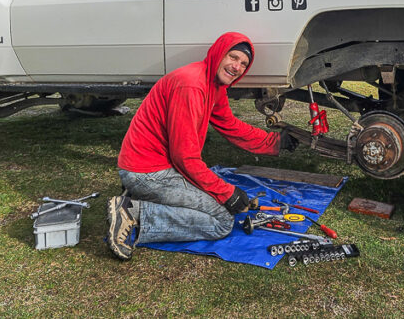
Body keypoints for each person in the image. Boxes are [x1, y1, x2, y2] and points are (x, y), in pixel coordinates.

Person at [105, 32, 298, 260]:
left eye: (243, 64)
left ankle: (144, 197)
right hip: (148, 173)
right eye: (233, 57)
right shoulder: (192, 86)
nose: (237, 67)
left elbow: (231, 126)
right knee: (222, 221)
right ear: (218, 53)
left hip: (157, 168)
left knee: (220, 201)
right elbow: (184, 157)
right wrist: (227, 193)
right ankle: (133, 213)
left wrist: (274, 141)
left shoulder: (212, 85)